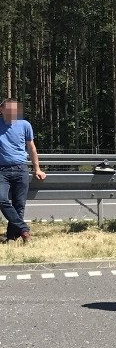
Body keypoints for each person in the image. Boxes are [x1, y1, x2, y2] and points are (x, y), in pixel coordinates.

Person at [0, 98, 47, 244]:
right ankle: (24, 229)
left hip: (21, 169)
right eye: (9, 109)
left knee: (19, 205)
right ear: (1, 110)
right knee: (1, 199)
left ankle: (12, 237)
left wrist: (37, 168)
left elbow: (31, 147)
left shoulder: (25, 125)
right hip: (2, 170)